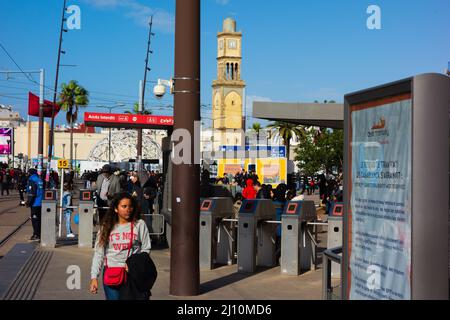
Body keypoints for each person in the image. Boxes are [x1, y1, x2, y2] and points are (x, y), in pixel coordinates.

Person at [90, 192, 152, 300]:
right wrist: (94, 277)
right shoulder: (106, 227)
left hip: (132, 274)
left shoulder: (139, 224)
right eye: (124, 206)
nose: (128, 209)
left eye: (130, 206)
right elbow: (99, 253)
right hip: (112, 274)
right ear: (116, 209)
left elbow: (146, 249)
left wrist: (136, 264)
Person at [26, 169, 44, 241]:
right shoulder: (39, 180)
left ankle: (36, 235)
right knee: (39, 219)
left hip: (35, 203)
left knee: (35, 219)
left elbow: (31, 193)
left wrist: (29, 202)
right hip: (40, 202)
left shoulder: (32, 180)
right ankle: (39, 234)